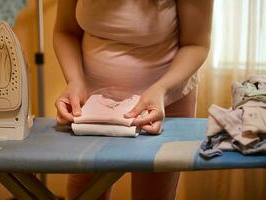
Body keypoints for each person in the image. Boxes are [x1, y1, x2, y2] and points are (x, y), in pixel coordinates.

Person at [53, 0, 213, 199]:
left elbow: (196, 44)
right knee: (84, 193)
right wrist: (74, 80)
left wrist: (161, 89)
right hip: (91, 106)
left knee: (153, 194)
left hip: (163, 103)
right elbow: (65, 31)